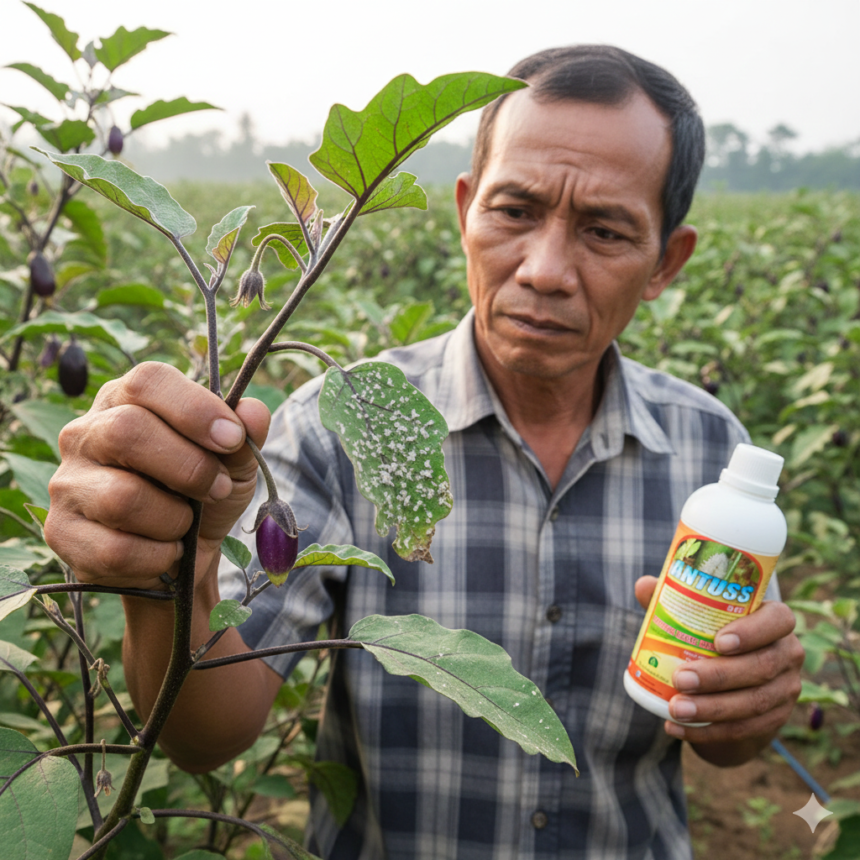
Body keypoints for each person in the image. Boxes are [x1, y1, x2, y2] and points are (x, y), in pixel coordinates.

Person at [45, 45, 804, 860]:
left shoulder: (711, 452)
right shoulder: (337, 429)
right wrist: (171, 575)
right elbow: (204, 737)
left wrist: (747, 707)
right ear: (465, 210)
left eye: (605, 230)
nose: (545, 270)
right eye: (515, 211)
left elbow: (721, 733)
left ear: (667, 262)